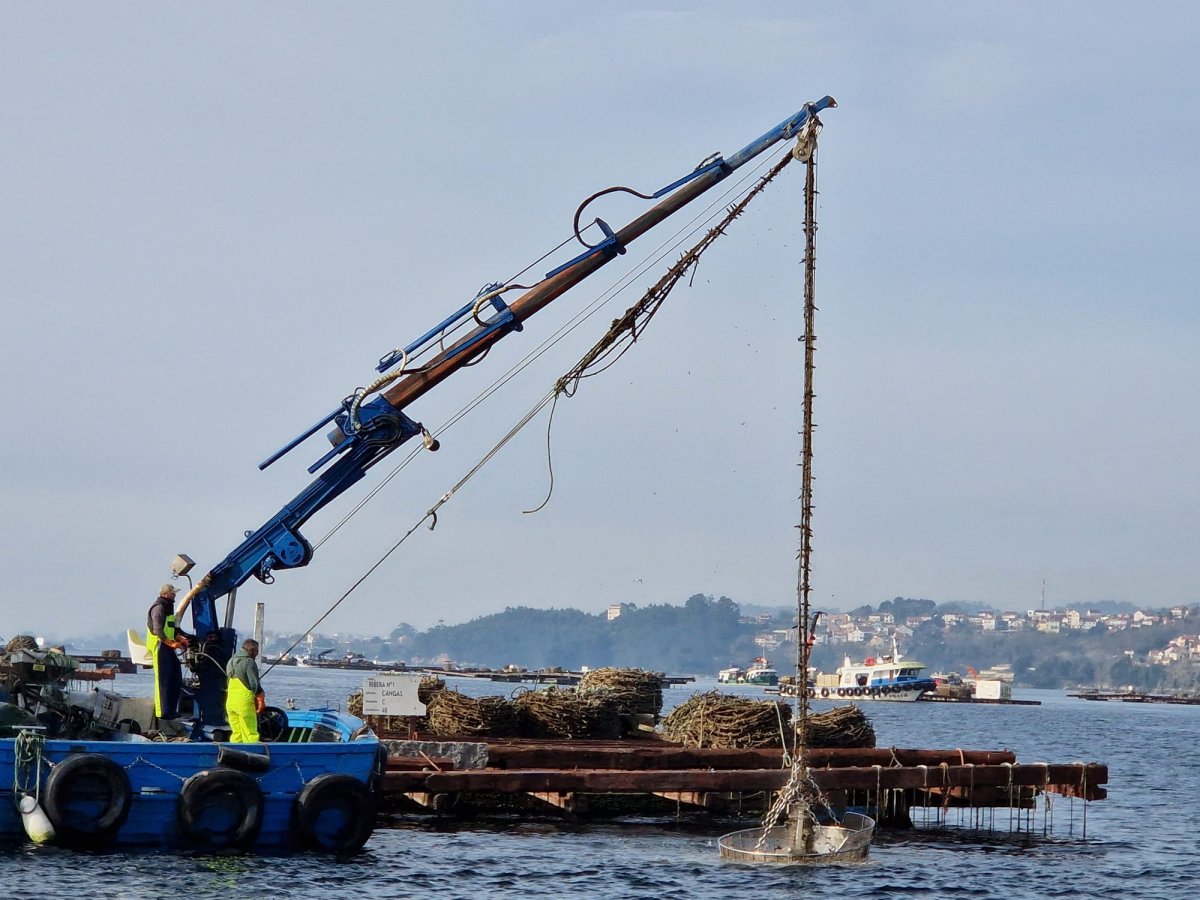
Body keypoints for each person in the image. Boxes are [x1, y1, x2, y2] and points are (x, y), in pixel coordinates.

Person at [146, 583, 190, 721]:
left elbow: (171, 629)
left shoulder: (168, 609)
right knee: (163, 680)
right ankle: (163, 712)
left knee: (175, 677)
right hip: (160, 647)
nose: (175, 595)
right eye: (172, 593)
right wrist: (171, 643)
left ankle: (171, 710)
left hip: (168, 646)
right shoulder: (159, 608)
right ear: (165, 594)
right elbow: (158, 630)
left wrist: (180, 639)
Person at [225, 638, 265, 743]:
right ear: (251, 650)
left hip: (230, 702)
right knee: (250, 732)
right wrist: (261, 700)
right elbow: (254, 683)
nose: (256, 655)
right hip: (244, 703)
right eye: (256, 652)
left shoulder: (231, 661)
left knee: (236, 733)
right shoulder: (249, 662)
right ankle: (252, 754)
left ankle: (234, 754)